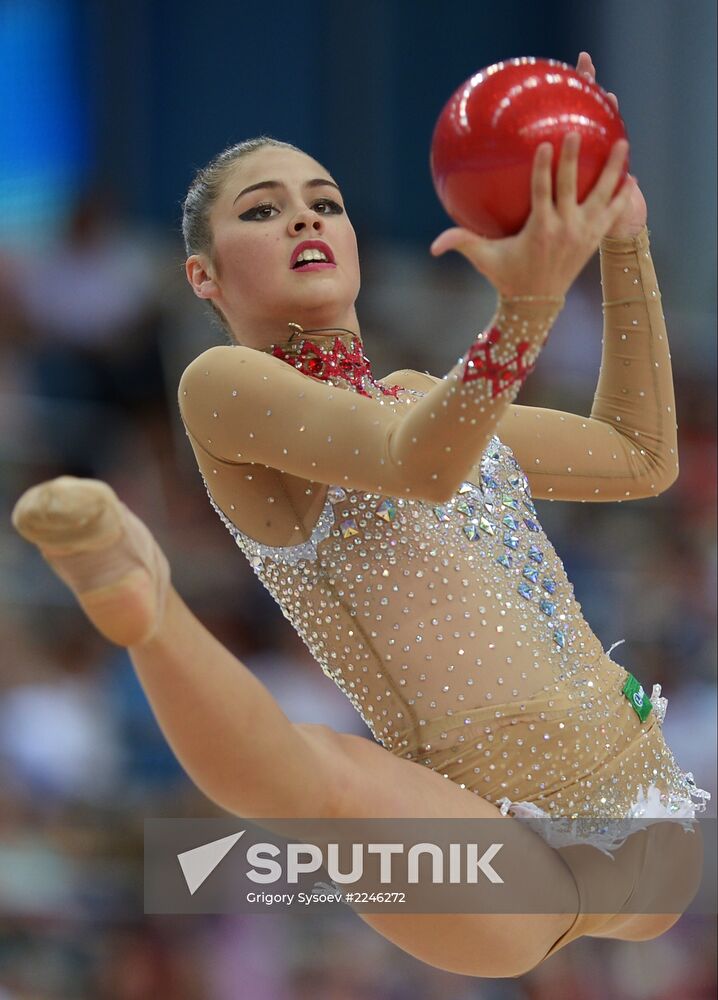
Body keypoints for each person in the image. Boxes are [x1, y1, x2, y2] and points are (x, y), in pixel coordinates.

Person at [11, 52, 710, 978]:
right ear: (203, 276)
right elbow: (413, 465)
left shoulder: (427, 396)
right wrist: (529, 306)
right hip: (493, 862)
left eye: (325, 201)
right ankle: (151, 613)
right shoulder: (222, 385)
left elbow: (640, 455)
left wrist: (624, 238)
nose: (304, 215)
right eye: (261, 209)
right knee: (322, 772)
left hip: (658, 835)